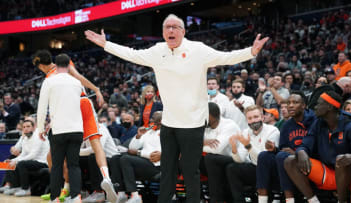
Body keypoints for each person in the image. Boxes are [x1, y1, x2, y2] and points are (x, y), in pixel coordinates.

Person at [85, 13, 268, 203]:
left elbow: (226, 57)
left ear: (183, 31)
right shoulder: (157, 51)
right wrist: (106, 44)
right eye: (167, 27)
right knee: (168, 171)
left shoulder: (197, 50)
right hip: (169, 122)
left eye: (175, 27)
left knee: (190, 172)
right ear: (163, 32)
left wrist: (251, 52)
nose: (170, 30)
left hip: (193, 123)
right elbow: (132, 54)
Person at [33, 50, 117, 203]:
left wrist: (46, 125)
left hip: (68, 113)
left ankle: (62, 192)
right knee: (93, 145)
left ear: (40, 66)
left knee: (57, 157)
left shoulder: (50, 78)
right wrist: (96, 89)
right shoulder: (66, 68)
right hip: (82, 104)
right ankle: (104, 178)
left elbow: (53, 105)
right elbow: (79, 78)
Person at [284, 91, 351, 203]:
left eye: (319, 104)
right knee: (290, 161)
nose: (315, 107)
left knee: (341, 160)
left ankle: (341, 200)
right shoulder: (318, 123)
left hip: (347, 177)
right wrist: (301, 151)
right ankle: (313, 200)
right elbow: (305, 144)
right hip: (326, 173)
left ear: (329, 107)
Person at [37, 54, 84, 202]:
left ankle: (55, 198)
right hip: (77, 129)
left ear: (55, 66)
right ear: (69, 66)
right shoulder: (77, 83)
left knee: (57, 165)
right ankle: (76, 197)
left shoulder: (49, 81)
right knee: (74, 165)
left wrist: (40, 129)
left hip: (59, 129)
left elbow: (42, 108)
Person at [257, 91, 316, 203]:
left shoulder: (314, 121)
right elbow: (283, 149)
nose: (291, 105)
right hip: (288, 161)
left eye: (295, 102)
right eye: (289, 103)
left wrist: (295, 153)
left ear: (303, 105)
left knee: (282, 157)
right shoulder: (287, 125)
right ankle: (262, 200)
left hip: (308, 160)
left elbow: (317, 147)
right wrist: (274, 149)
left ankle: (289, 199)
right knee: (264, 155)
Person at [227, 105, 280, 202]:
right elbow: (240, 159)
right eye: (250, 118)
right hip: (255, 168)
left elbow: (263, 159)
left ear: (262, 117)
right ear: (246, 120)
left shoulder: (273, 131)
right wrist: (234, 148)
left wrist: (248, 146)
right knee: (232, 168)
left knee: (263, 160)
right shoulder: (245, 132)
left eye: (256, 117)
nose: (253, 121)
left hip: (271, 171)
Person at [110, 111, 163, 203]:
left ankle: (135, 196)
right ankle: (121, 193)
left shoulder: (164, 133)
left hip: (156, 166)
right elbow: (132, 147)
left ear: (160, 121)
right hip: (143, 162)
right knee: (115, 158)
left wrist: (139, 153)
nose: (150, 120)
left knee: (126, 159)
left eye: (153, 119)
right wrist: (138, 136)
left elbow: (155, 154)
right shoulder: (148, 132)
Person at [203, 102, 243, 203]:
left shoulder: (229, 125)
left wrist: (199, 145)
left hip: (236, 159)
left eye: (204, 115)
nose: (201, 117)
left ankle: (216, 200)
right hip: (217, 161)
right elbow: (191, 145)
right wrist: (203, 143)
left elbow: (217, 149)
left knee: (210, 158)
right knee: (191, 158)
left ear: (212, 116)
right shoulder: (205, 126)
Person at [2, 119, 49, 197]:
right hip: (31, 161)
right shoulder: (25, 138)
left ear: (34, 127)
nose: (26, 128)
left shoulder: (39, 136)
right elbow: (23, 154)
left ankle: (25, 189)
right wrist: (13, 160)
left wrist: (16, 161)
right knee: (8, 162)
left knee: (21, 164)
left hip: (42, 162)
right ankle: (13, 186)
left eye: (28, 126)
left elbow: (33, 155)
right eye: (24, 127)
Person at [80, 123, 119, 203]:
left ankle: (99, 193)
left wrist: (76, 152)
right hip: (96, 159)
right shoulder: (83, 130)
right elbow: (80, 148)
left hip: (112, 160)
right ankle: (83, 191)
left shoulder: (100, 128)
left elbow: (97, 149)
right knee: (75, 159)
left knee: (93, 156)